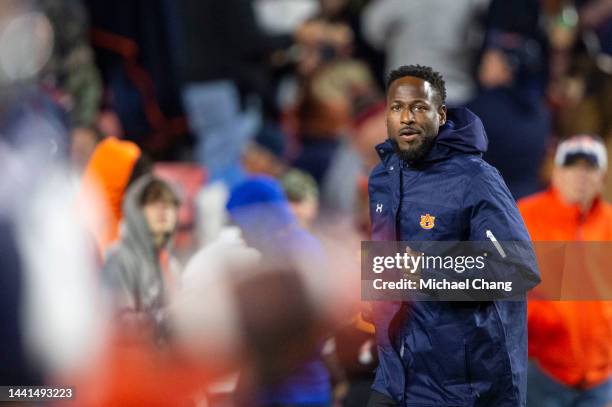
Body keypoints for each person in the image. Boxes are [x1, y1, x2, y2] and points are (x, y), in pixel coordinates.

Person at [367, 65, 540, 406]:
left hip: (463, 387)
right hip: (395, 374)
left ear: (441, 114)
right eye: (397, 108)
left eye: (419, 107)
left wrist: (430, 272)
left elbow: (519, 268)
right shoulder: (382, 178)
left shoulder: (476, 179)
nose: (406, 118)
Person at [518, 134, 612, 406]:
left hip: (600, 377)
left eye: (590, 167)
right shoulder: (524, 216)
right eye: (571, 165)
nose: (580, 175)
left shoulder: (609, 222)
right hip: (541, 371)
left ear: (602, 178)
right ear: (555, 172)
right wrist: (542, 322)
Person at [103, 175, 181, 342]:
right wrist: (164, 320)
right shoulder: (118, 259)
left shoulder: (171, 265)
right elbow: (116, 325)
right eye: (153, 202)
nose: (163, 209)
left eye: (170, 204)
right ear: (135, 210)